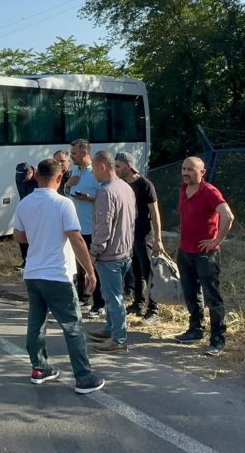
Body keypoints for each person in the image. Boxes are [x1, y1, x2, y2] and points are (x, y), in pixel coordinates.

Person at [13, 158, 105, 394]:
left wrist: (39, 235)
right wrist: (89, 271)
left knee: (36, 322)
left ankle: (39, 367)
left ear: (37, 176)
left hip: (33, 272)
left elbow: (19, 237)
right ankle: (83, 377)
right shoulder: (64, 203)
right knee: (72, 325)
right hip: (57, 274)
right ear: (59, 178)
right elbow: (75, 238)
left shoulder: (25, 203)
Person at [175, 156, 235, 357]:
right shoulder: (184, 189)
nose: (186, 173)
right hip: (185, 252)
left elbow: (228, 215)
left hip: (205, 255)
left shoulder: (209, 191)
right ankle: (195, 330)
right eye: (184, 168)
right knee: (191, 294)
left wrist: (216, 241)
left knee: (212, 297)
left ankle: (217, 338)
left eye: (191, 169)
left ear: (202, 172)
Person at [84, 151, 136, 354]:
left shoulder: (106, 192)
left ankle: (119, 339)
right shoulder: (125, 187)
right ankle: (111, 329)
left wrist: (94, 252)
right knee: (112, 295)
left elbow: (103, 227)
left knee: (113, 297)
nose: (94, 174)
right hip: (125, 251)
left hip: (110, 255)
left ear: (103, 167)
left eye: (95, 168)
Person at [115, 151, 164, 324]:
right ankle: (138, 303)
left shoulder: (145, 184)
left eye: (118, 166)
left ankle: (154, 309)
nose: (116, 169)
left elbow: (155, 212)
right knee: (136, 272)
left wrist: (158, 238)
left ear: (128, 166)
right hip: (129, 236)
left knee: (148, 272)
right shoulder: (122, 184)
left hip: (145, 236)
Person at [67, 139, 104, 317]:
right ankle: (84, 298)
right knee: (80, 265)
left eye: (74, 153)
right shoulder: (76, 171)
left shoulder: (94, 173)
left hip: (92, 227)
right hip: (77, 227)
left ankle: (99, 303)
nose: (71, 156)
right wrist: (68, 185)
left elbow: (106, 197)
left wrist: (90, 198)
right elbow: (68, 195)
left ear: (83, 153)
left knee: (93, 267)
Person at [14, 162, 38, 269]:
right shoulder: (19, 176)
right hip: (24, 208)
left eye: (25, 177)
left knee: (34, 237)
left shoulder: (39, 179)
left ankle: (34, 261)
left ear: (31, 172)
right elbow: (21, 193)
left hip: (36, 211)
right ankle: (25, 260)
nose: (22, 180)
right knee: (21, 234)